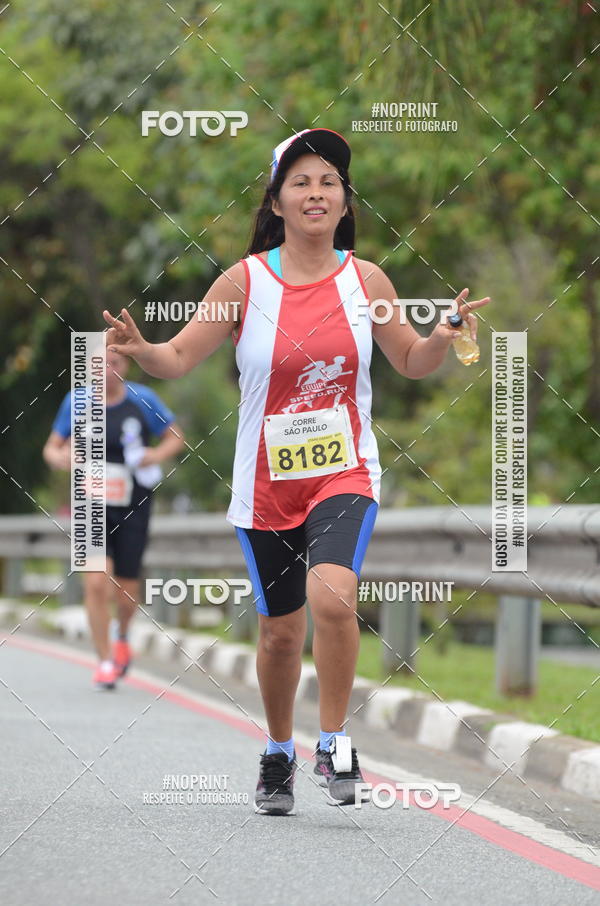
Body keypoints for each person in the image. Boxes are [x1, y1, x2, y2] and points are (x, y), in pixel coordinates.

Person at [102, 128, 491, 813]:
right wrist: (140, 350)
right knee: (281, 633)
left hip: (343, 470)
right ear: (277, 201)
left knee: (334, 597)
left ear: (345, 203)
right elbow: (177, 357)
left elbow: (409, 359)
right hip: (264, 484)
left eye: (329, 183)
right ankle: (278, 752)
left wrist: (442, 337)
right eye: (301, 182)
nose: (316, 193)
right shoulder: (243, 282)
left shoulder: (366, 279)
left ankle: (335, 741)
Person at [43, 348, 185, 689]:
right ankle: (105, 659)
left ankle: (121, 634)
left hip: (133, 500)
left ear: (127, 366)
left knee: (126, 588)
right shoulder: (75, 401)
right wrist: (63, 457)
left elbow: (176, 438)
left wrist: (154, 455)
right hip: (90, 501)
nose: (107, 370)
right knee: (95, 581)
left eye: (115, 363)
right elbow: (51, 448)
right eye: (100, 364)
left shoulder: (143, 399)